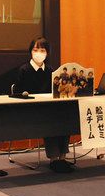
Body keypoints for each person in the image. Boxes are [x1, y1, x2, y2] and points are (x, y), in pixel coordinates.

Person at [13, 37, 73, 173]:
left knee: (65, 117)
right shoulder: (24, 69)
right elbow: (16, 91)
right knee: (50, 120)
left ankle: (62, 157)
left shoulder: (51, 70)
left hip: (48, 106)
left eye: (42, 50)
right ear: (30, 51)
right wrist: (23, 93)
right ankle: (54, 159)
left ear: (47, 53)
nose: (38, 53)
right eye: (35, 50)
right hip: (31, 109)